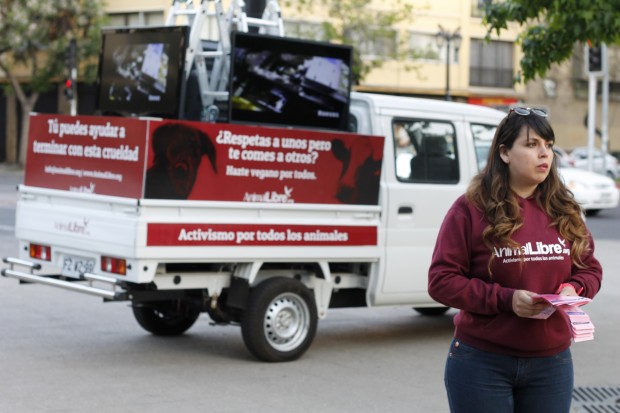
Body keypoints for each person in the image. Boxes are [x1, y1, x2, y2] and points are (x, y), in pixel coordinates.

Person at [427, 107, 603, 413]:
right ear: (505, 153)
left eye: (548, 145)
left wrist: (574, 290)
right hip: (482, 363)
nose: (544, 154)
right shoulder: (470, 208)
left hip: (552, 365)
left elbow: (590, 269)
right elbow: (441, 281)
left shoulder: (564, 209)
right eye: (532, 144)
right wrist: (507, 300)